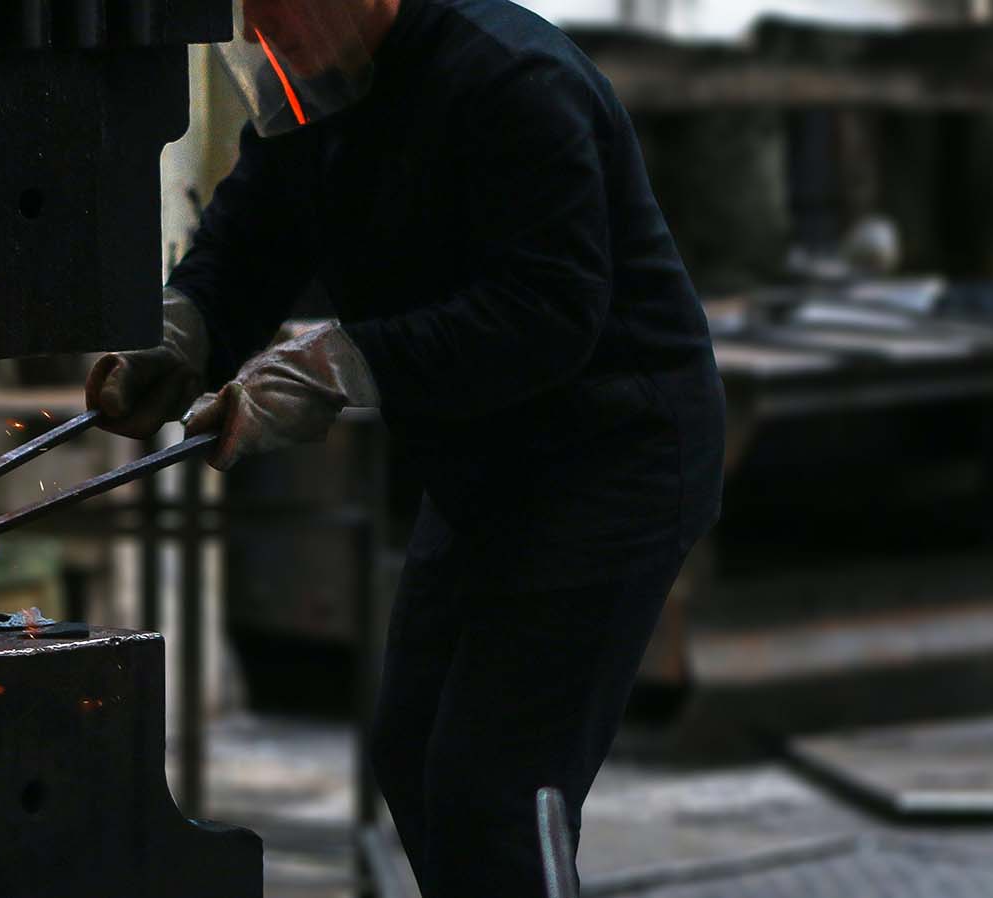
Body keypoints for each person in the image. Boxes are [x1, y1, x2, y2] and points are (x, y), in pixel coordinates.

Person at [84, 0, 727, 894]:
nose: (268, 38)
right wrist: (184, 330)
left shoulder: (512, 81)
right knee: (414, 750)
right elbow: (253, 235)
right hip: (485, 464)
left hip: (613, 459)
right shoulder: (313, 91)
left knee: (499, 785)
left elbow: (548, 313)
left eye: (279, 11)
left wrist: (346, 364)